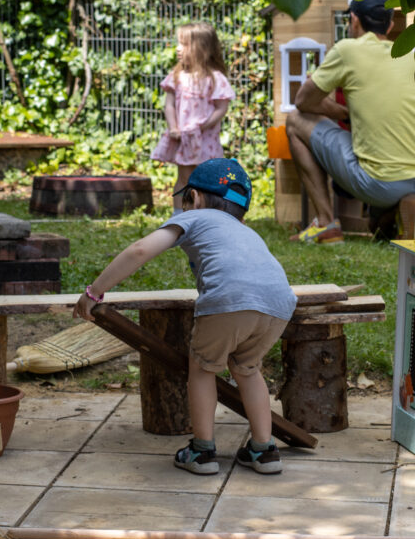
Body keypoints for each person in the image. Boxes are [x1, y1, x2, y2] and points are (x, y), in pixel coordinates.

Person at [73, 158, 297, 475]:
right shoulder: (245, 229)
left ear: (195, 198)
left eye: (184, 200)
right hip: (279, 303)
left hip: (229, 300)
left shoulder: (194, 218)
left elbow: (140, 250)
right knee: (247, 368)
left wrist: (95, 291)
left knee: (203, 369)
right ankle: (264, 450)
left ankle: (202, 451)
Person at [284, 0, 415, 244]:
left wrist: (340, 112)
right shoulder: (412, 55)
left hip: (377, 184)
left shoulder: (348, 50)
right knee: (376, 231)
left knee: (294, 121)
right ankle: (400, 209)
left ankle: (325, 223)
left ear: (354, 20)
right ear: (390, 24)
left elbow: (303, 101)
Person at [151, 23, 235, 215]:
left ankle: (210, 214)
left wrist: (204, 125)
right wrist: (174, 127)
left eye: (184, 44)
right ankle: (179, 216)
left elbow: (221, 108)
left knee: (209, 179)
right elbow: (170, 104)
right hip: (185, 140)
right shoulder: (177, 76)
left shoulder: (215, 78)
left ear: (202, 48)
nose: (178, 49)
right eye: (178, 43)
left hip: (206, 141)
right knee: (184, 177)